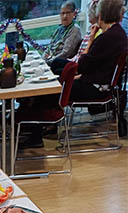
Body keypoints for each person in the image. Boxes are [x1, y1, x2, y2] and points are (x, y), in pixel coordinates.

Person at [19, 0, 127, 147]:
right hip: (98, 83)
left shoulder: (106, 38)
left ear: (101, 15)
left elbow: (83, 65)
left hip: (95, 88)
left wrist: (90, 41)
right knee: (56, 74)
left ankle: (35, 134)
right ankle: (38, 124)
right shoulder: (118, 34)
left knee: (48, 91)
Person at [51, 1, 102, 74]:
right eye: (62, 13)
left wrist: (49, 61)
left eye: (90, 12)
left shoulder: (94, 32)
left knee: (55, 64)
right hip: (75, 60)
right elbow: (50, 46)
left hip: (79, 64)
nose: (88, 14)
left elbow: (67, 52)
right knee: (56, 64)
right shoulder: (90, 29)